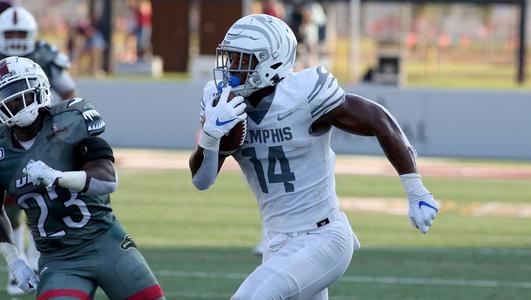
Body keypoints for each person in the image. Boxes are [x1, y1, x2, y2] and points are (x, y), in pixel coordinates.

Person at [189, 14, 439, 299]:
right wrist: (210, 136)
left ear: (271, 61)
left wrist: (416, 189)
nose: (231, 69)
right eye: (230, 58)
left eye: (242, 60)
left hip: (323, 236)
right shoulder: (222, 101)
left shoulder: (304, 93)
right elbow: (202, 181)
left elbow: (379, 120)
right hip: (277, 242)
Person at [0, 56, 165, 299]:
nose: (13, 102)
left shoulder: (72, 119)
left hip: (106, 242)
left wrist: (58, 178)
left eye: (19, 92)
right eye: (6, 95)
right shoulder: (2, 149)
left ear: (39, 88)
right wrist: (14, 259)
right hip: (59, 260)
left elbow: (108, 179)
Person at [0, 7, 77, 294]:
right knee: (7, 205)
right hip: (4, 139)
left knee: (41, 196)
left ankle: (36, 258)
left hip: (40, 136)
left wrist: (58, 126)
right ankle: (17, 261)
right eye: (11, 34)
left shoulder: (44, 54)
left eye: (22, 34)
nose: (17, 39)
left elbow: (69, 92)